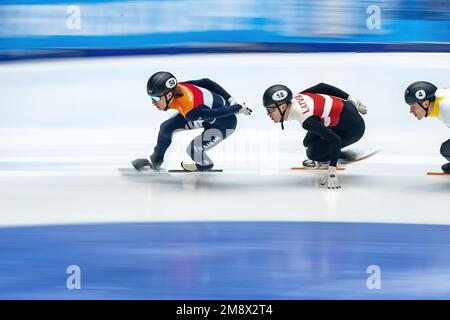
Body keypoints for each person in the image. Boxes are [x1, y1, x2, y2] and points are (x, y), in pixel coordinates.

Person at [132, 71, 252, 172]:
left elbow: (217, 112)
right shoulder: (179, 87)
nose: (153, 102)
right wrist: (230, 99)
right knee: (166, 128)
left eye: (156, 98)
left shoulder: (190, 111)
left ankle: (205, 164)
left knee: (194, 150)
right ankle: (156, 160)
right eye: (151, 98)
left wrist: (235, 108)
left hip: (225, 124)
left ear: (169, 95)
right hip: (204, 113)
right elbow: (206, 82)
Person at [262, 83, 368, 189]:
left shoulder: (306, 119)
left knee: (312, 153)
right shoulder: (297, 97)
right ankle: (327, 155)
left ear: (283, 106)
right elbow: (321, 86)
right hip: (343, 113)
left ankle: (345, 156)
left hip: (353, 129)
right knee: (307, 142)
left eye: (270, 109)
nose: (268, 114)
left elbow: (335, 140)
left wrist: (332, 171)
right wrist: (349, 97)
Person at [404, 81, 450, 173]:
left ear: (425, 103)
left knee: (446, 149)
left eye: (413, 106)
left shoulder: (446, 108)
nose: (411, 111)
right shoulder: (438, 99)